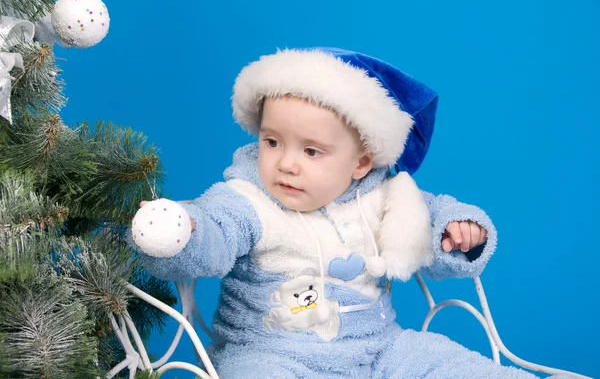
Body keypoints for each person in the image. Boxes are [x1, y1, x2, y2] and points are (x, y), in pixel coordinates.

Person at [130, 48, 558, 378]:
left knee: (445, 363)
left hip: (377, 350)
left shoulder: (387, 195)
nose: (286, 163)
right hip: (273, 354)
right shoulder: (248, 199)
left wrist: (458, 230)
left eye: (311, 150)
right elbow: (215, 230)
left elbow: (433, 221)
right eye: (272, 141)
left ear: (360, 163)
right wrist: (183, 228)